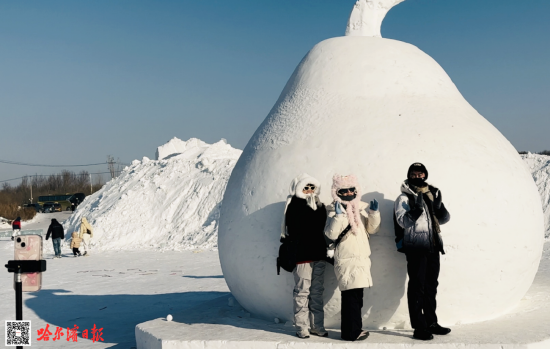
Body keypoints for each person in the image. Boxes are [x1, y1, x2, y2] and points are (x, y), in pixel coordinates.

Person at [394, 163, 451, 341]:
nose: (417, 176)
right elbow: (403, 221)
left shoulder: (431, 194)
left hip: (433, 245)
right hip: (417, 247)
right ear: (408, 175)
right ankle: (419, 327)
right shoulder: (404, 198)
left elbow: (444, 219)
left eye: (420, 174)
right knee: (417, 287)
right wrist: (417, 210)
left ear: (425, 175)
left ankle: (431, 322)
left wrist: (439, 206)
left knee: (431, 286)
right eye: (413, 173)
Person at [324, 174, 380, 341]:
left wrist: (374, 213)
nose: (348, 193)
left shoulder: (359, 209)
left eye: (351, 190)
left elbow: (372, 229)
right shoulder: (333, 210)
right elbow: (331, 234)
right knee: (350, 298)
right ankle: (350, 333)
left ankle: (355, 329)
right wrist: (339, 217)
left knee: (357, 298)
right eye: (344, 190)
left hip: (361, 260)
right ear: (336, 192)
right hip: (347, 260)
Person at [281, 174, 328, 339]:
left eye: (312, 188)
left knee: (316, 291)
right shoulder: (295, 205)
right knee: (302, 291)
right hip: (302, 255)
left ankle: (317, 326)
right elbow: (296, 228)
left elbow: (321, 227)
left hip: (318, 254)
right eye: (306, 188)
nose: (309, 191)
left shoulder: (319, 205)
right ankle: (302, 327)